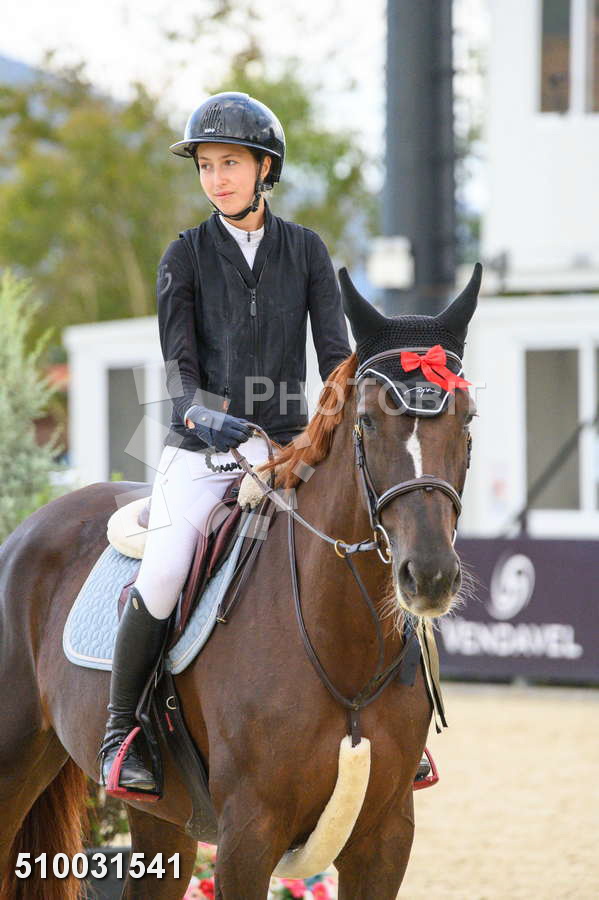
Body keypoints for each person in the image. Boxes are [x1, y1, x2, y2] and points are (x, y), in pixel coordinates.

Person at [98, 91, 352, 798]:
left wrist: (327, 429)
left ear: (265, 168)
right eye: (206, 165)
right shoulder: (183, 254)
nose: (216, 178)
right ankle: (123, 732)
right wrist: (201, 416)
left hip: (287, 450)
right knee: (164, 570)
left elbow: (336, 357)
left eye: (230, 163)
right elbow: (177, 369)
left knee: (364, 541)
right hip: (201, 452)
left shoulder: (306, 250)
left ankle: (399, 720)